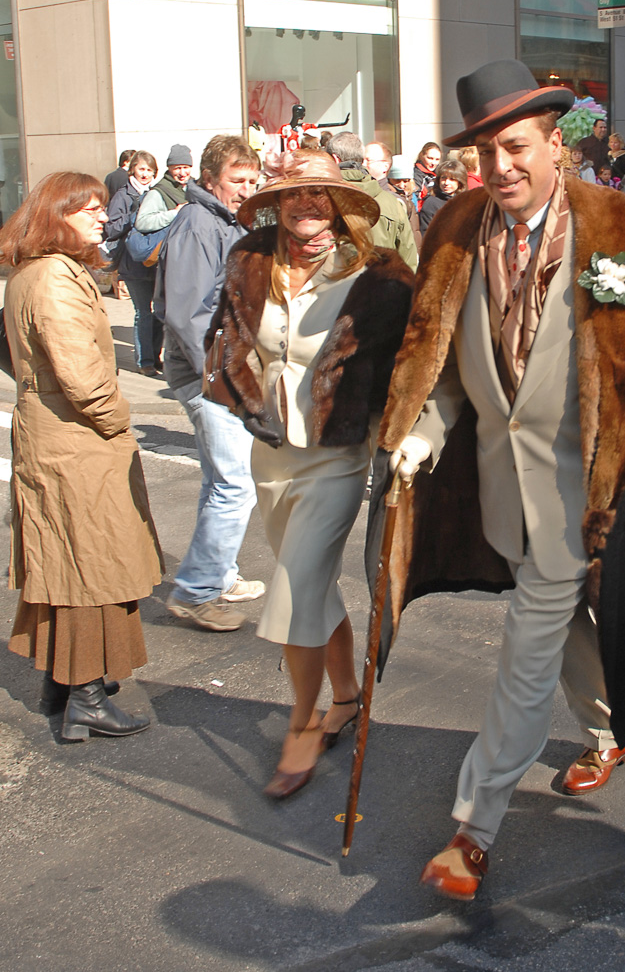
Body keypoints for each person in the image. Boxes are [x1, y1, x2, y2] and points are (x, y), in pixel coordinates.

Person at [371, 59, 625, 900]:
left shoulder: (614, 226)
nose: (500, 168)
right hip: (498, 489)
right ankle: (606, 728)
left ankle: (473, 826)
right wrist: (424, 430)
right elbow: (445, 365)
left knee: (527, 643)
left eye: (515, 147)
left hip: (586, 487)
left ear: (554, 143)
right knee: (559, 618)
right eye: (484, 153)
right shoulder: (454, 229)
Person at [210, 149, 415, 797]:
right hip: (270, 452)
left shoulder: (379, 276)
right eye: (294, 193)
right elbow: (228, 334)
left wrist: (406, 430)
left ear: (337, 201)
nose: (306, 204)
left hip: (336, 452)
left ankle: (302, 722)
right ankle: (348, 695)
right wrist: (238, 390)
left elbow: (416, 352)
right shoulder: (249, 259)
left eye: (319, 194)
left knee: (294, 584)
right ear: (276, 202)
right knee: (315, 585)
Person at [0, 172, 164, 740]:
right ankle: (85, 698)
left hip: (58, 437)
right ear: (53, 218)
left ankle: (64, 684)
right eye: (86, 210)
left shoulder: (39, 272)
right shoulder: (54, 280)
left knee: (68, 559)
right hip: (75, 441)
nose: (100, 216)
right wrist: (120, 422)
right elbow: (83, 379)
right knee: (88, 565)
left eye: (99, 207)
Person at [155, 135, 265, 632]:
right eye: (237, 182)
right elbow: (186, 312)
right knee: (235, 483)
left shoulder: (221, 220)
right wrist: (229, 369)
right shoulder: (198, 223)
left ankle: (218, 574)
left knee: (221, 480)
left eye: (251, 180)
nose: (247, 190)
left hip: (218, 368)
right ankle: (197, 590)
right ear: (209, 180)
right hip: (208, 373)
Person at [104, 150, 163, 376]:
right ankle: (144, 361)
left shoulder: (155, 195)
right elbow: (111, 228)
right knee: (143, 312)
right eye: (141, 169)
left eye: (149, 170)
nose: (145, 174)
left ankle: (156, 357)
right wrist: (134, 218)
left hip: (153, 261)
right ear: (133, 170)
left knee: (159, 311)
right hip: (132, 263)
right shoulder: (123, 195)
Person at [327, 132, 418, 271]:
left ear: (334, 159)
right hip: (383, 286)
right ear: (362, 160)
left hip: (330, 288)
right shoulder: (393, 203)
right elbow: (409, 261)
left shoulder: (321, 200)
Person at [134, 144, 193, 233]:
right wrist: (175, 213)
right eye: (177, 168)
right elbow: (141, 222)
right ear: (169, 168)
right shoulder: (158, 192)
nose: (182, 173)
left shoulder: (197, 187)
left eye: (185, 167)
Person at [419, 157, 467, 234]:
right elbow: (426, 233)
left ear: (459, 181)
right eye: (443, 178)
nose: (446, 183)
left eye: (452, 179)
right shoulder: (431, 203)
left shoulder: (465, 202)